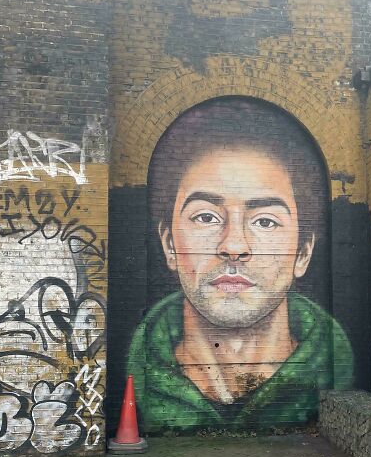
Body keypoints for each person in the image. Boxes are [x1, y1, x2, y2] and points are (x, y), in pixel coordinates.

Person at [127, 98, 354, 430]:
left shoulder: (344, 370)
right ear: (169, 244)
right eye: (206, 217)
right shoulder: (129, 372)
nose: (233, 246)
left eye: (264, 221)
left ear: (303, 253)